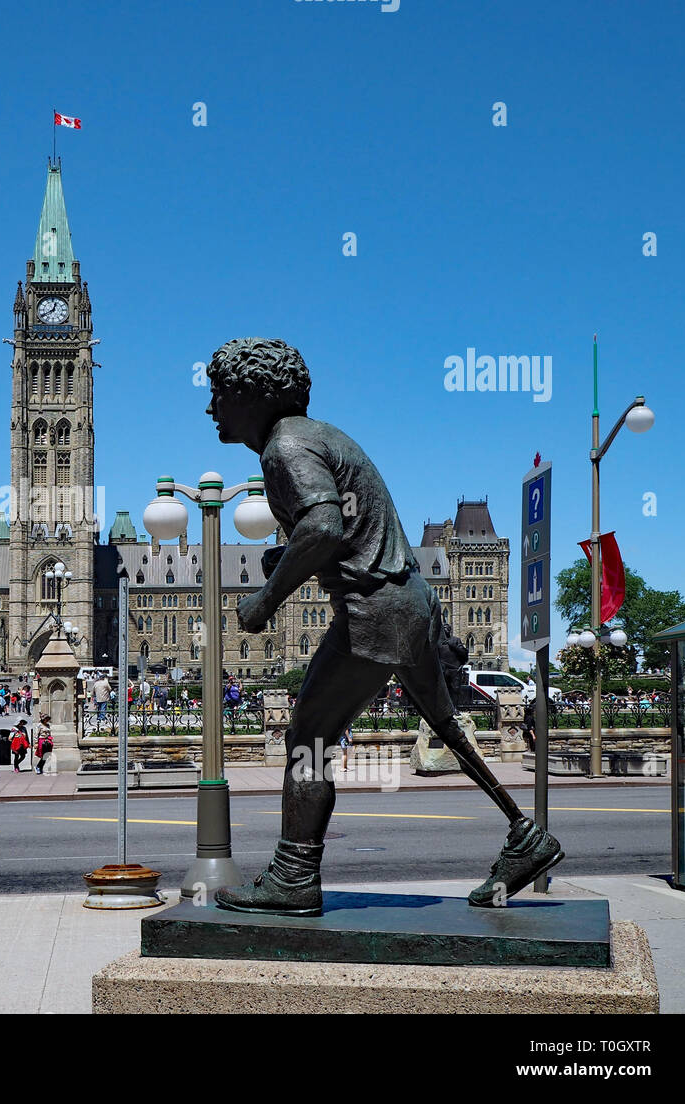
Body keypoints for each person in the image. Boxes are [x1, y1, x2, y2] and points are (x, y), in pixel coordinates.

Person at [204, 337, 562, 915]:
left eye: (219, 393)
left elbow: (322, 526)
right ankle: (527, 835)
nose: (212, 407)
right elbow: (339, 532)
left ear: (252, 394)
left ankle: (294, 877)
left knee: (308, 738)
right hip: (409, 602)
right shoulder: (320, 436)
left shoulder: (284, 447)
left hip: (375, 609)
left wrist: (267, 601)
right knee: (445, 724)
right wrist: (289, 558)